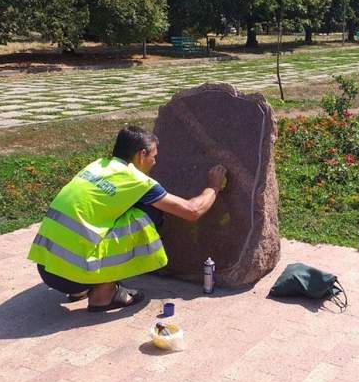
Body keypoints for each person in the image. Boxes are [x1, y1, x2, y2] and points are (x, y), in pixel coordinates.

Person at [27, 125, 227, 312]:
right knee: (150, 214)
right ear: (142, 155)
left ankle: (80, 288)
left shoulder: (96, 166)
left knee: (105, 219)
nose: (155, 162)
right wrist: (214, 185)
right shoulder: (137, 181)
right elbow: (192, 211)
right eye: (154, 156)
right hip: (73, 274)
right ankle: (103, 296)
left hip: (47, 268)